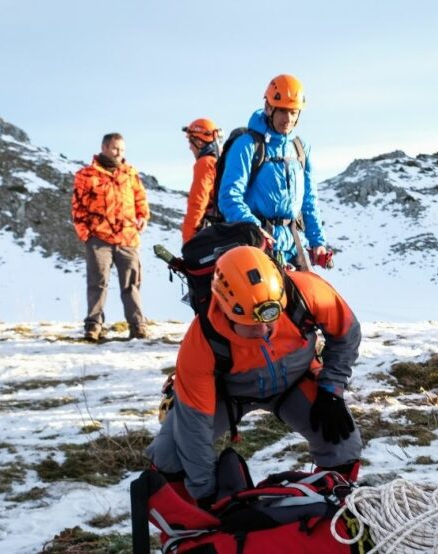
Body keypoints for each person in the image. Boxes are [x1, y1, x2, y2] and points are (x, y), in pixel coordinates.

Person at [146, 246, 362, 505]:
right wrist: (206, 495)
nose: (263, 331)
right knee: (168, 455)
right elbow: (195, 429)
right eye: (250, 325)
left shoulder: (306, 291)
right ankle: (195, 528)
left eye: (270, 320)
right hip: (230, 394)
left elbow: (346, 334)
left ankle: (333, 509)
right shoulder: (201, 341)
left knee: (343, 443)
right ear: (225, 310)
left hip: (295, 380)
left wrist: (331, 391)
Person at [217, 74, 329, 269]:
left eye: (294, 112)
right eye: (283, 112)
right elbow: (229, 197)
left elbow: (309, 200)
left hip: (295, 246)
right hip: (257, 246)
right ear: (269, 108)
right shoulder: (247, 145)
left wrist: (317, 242)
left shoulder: (301, 149)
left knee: (315, 298)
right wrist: (255, 229)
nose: (288, 119)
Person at [71, 132, 150, 341]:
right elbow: (77, 207)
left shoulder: (130, 173)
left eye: (122, 149)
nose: (119, 153)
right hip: (99, 239)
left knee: (131, 284)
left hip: (128, 238)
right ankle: (93, 326)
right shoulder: (86, 175)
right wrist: (86, 235)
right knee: (97, 283)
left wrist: (143, 217)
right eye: (116, 148)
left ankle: (138, 326)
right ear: (104, 147)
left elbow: (140, 198)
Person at [180, 118, 222, 243]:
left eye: (190, 142)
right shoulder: (220, 161)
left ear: (199, 142)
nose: (189, 148)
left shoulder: (205, 163)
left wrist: (187, 237)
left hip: (213, 229)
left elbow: (197, 202)